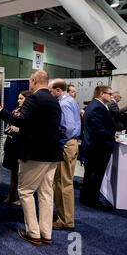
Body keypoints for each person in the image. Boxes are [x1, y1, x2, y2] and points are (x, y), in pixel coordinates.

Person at [0, 70, 63, 246]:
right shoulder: (54, 100)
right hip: (52, 154)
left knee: (26, 192)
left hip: (35, 154)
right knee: (46, 193)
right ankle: (46, 233)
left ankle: (33, 233)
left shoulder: (34, 99)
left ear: (34, 80)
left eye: (30, 81)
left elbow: (20, 121)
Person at [49, 79, 81, 231]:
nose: (50, 94)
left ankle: (66, 220)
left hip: (66, 145)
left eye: (51, 91)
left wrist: (60, 141)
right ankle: (63, 214)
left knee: (64, 184)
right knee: (62, 182)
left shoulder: (64, 103)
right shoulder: (71, 101)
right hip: (71, 144)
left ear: (58, 90)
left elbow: (68, 127)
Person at [79, 85, 116, 210]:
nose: (111, 96)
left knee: (90, 175)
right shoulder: (97, 107)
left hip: (94, 147)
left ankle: (86, 198)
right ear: (101, 93)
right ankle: (91, 200)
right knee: (95, 175)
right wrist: (111, 141)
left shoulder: (96, 105)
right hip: (97, 148)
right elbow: (99, 130)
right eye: (109, 94)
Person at [3, 90, 32, 205]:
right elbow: (9, 125)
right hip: (12, 145)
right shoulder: (15, 111)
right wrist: (8, 129)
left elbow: (31, 131)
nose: (18, 100)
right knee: (13, 172)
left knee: (23, 174)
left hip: (23, 146)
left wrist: (19, 130)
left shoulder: (30, 112)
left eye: (21, 98)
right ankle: (11, 195)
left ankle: (22, 198)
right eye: (18, 98)